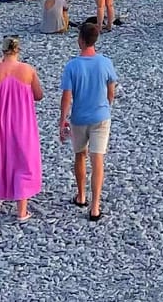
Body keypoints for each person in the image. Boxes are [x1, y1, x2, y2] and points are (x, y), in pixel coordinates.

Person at [0, 35, 45, 221]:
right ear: (18, 50)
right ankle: (21, 210)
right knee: (23, 161)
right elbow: (39, 95)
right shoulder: (28, 70)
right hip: (22, 123)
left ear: (2, 50)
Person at [59, 20, 119, 221]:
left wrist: (62, 120)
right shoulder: (105, 62)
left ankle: (81, 195)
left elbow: (67, 97)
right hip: (100, 116)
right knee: (98, 159)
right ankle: (95, 206)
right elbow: (111, 90)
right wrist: (107, 105)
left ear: (81, 41)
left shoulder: (72, 66)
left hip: (79, 117)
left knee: (80, 155)